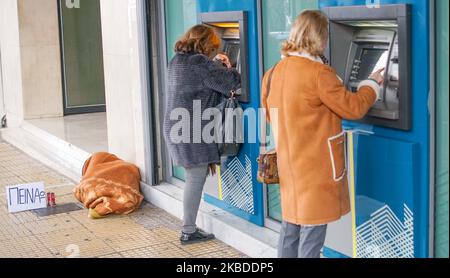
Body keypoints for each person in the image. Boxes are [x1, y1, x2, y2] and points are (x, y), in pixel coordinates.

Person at [261, 10, 384, 258]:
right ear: (319, 38)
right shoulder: (319, 74)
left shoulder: (273, 72)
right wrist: (372, 83)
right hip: (315, 172)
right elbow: (354, 107)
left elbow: (270, 114)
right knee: (312, 239)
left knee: (290, 230)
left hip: (289, 167)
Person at [163, 24, 241, 244]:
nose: (214, 52)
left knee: (193, 176)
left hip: (177, 125)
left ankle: (189, 228)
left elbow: (199, 83)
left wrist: (215, 65)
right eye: (214, 48)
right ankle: (188, 231)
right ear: (207, 45)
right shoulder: (200, 63)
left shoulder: (177, 60)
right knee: (195, 178)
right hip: (191, 129)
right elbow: (231, 83)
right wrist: (229, 66)